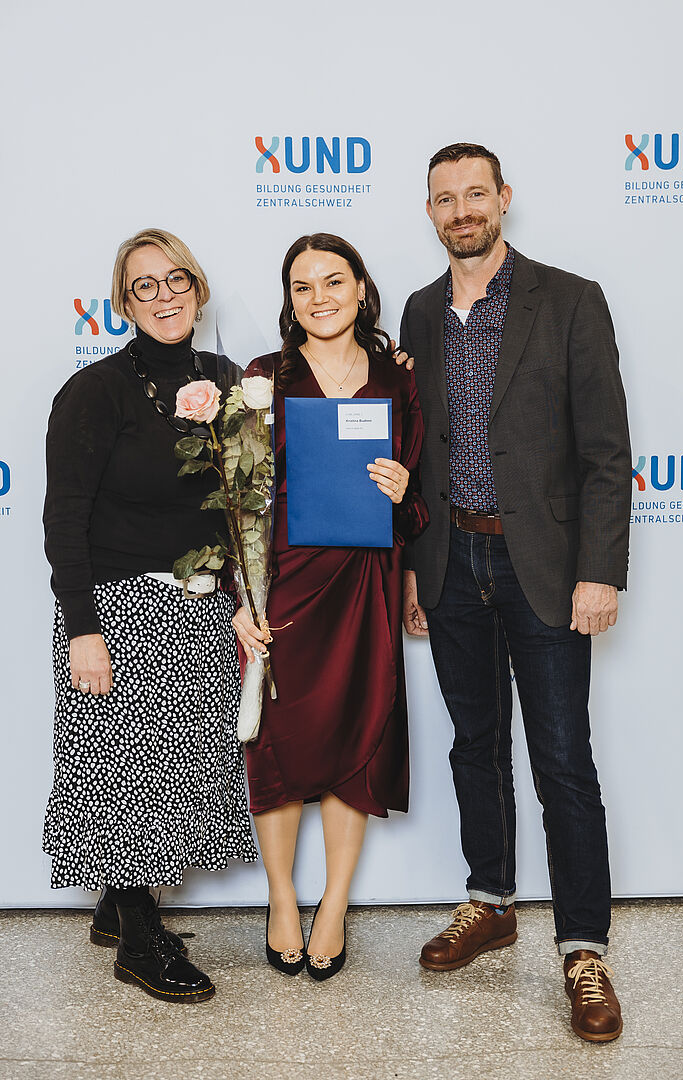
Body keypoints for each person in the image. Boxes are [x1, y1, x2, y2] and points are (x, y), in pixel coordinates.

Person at [400, 143, 631, 1042]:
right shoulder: (419, 313)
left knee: (563, 760)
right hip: (450, 559)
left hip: (544, 563)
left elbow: (606, 452)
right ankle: (491, 900)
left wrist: (599, 570)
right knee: (474, 744)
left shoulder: (569, 299)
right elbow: (415, 451)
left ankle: (584, 948)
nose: (461, 210)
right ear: (430, 212)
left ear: (503, 198)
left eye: (475, 194)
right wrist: (414, 570)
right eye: (444, 199)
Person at [43, 227, 257, 1003]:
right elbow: (64, 518)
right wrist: (83, 630)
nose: (164, 296)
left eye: (176, 280)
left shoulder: (227, 380)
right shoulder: (94, 391)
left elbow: (242, 504)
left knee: (175, 771)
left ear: (198, 289)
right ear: (124, 303)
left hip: (198, 605)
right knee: (126, 776)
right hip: (118, 607)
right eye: (145, 285)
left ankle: (117, 906)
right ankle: (139, 944)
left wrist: (241, 598)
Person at [233, 233, 428, 981]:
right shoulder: (264, 377)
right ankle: (282, 897)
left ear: (361, 289)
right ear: (289, 300)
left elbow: (419, 492)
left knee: (359, 729)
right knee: (278, 740)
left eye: (334, 281)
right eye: (303, 286)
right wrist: (240, 598)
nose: (320, 298)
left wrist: (402, 491)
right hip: (284, 583)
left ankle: (335, 903)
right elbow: (236, 499)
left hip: (365, 582)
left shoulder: (397, 376)